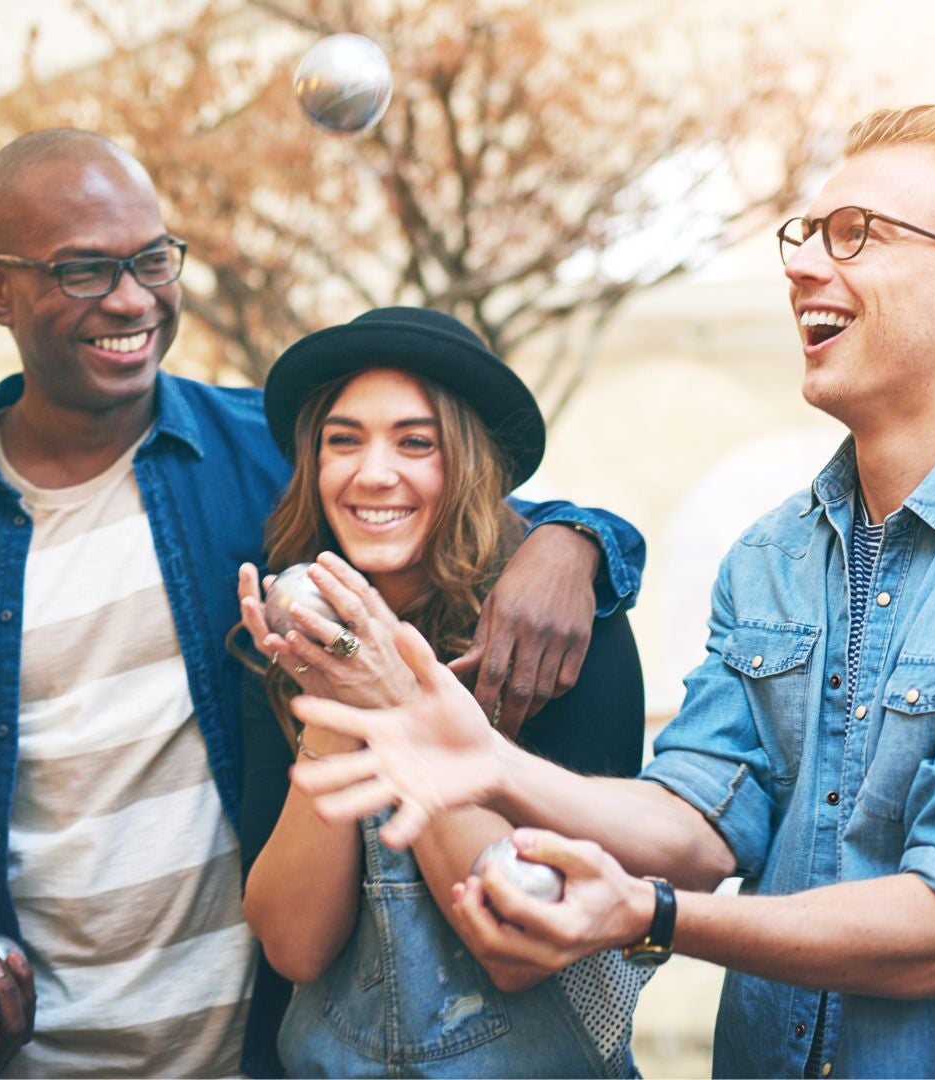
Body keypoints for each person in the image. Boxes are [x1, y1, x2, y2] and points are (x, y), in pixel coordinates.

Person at [289, 104, 935, 1077]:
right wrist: (491, 766)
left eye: (857, 234)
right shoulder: (770, 557)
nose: (805, 265)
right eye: (804, 236)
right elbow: (698, 822)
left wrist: (653, 919)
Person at [0, 129, 647, 1078]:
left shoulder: (253, 458)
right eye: (87, 270)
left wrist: (579, 540)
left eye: (151, 259)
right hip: (30, 1054)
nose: (133, 297)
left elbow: (452, 510)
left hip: (246, 1049)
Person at [235, 307, 651, 1077]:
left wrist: (392, 702)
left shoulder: (556, 636)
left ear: (465, 462)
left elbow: (522, 945)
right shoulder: (289, 635)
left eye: (416, 442)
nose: (373, 472)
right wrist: (333, 711)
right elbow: (294, 943)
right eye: (343, 440)